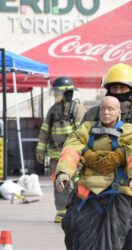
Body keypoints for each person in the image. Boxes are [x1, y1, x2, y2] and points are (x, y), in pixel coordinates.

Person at [80, 63, 132, 250]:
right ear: (107, 89)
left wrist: (110, 157)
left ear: (131, 90)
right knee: (77, 229)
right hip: (95, 184)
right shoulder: (93, 114)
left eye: (122, 88)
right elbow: (78, 142)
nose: (118, 91)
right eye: (114, 87)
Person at [56, 96, 132, 250]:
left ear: (119, 112)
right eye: (103, 109)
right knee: (81, 238)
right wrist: (64, 172)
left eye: (110, 109)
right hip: (89, 192)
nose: (106, 113)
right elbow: (71, 150)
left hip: (119, 191)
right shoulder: (85, 129)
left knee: (111, 240)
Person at [36, 77, 84, 223]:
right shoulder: (52, 111)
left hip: (73, 155)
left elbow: (82, 132)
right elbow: (45, 130)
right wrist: (40, 149)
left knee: (77, 183)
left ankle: (78, 210)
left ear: (67, 93)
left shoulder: (77, 109)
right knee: (59, 184)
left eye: (58, 92)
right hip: (56, 155)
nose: (55, 95)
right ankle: (61, 212)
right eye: (55, 91)